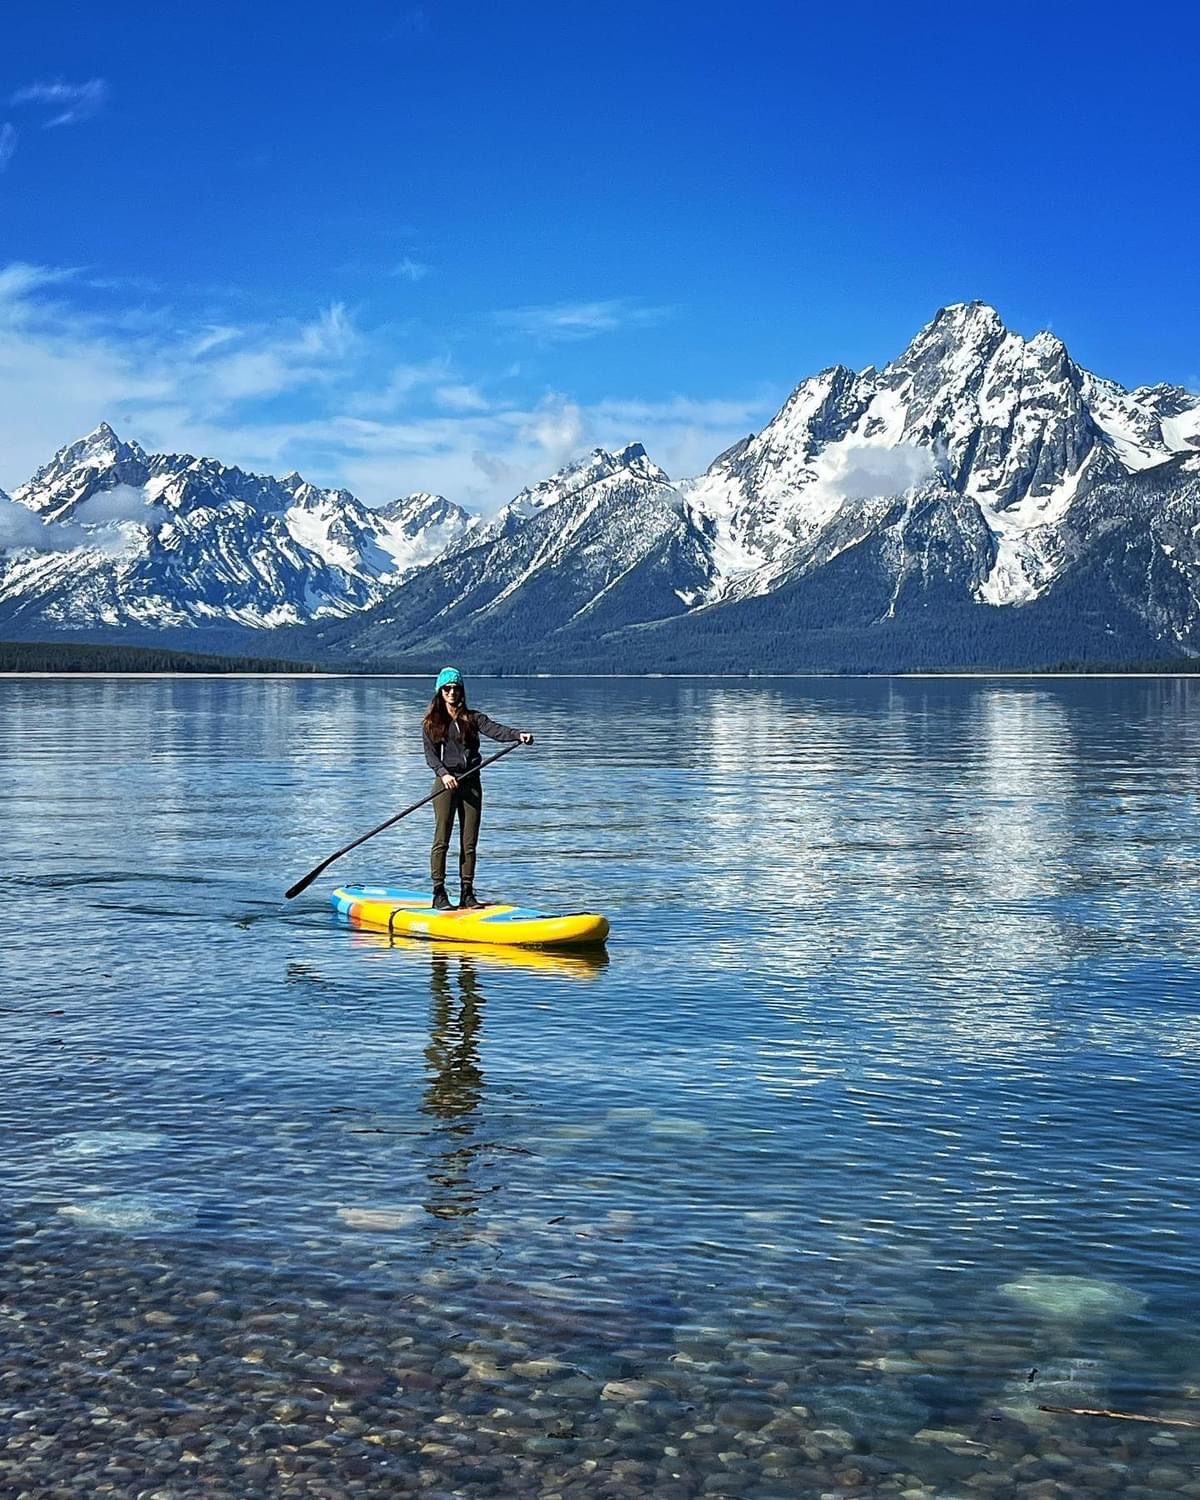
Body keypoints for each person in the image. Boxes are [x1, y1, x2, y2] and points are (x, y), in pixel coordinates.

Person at [422, 667, 533, 910]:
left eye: (456, 688)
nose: (452, 693)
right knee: (442, 839)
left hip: (471, 783)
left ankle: (467, 893)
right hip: (445, 786)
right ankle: (439, 893)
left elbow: (496, 730)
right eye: (447, 689)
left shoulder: (473, 718)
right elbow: (431, 756)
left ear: (462, 691)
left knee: (469, 842)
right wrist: (444, 774)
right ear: (440, 692)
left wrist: (518, 735)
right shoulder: (432, 723)